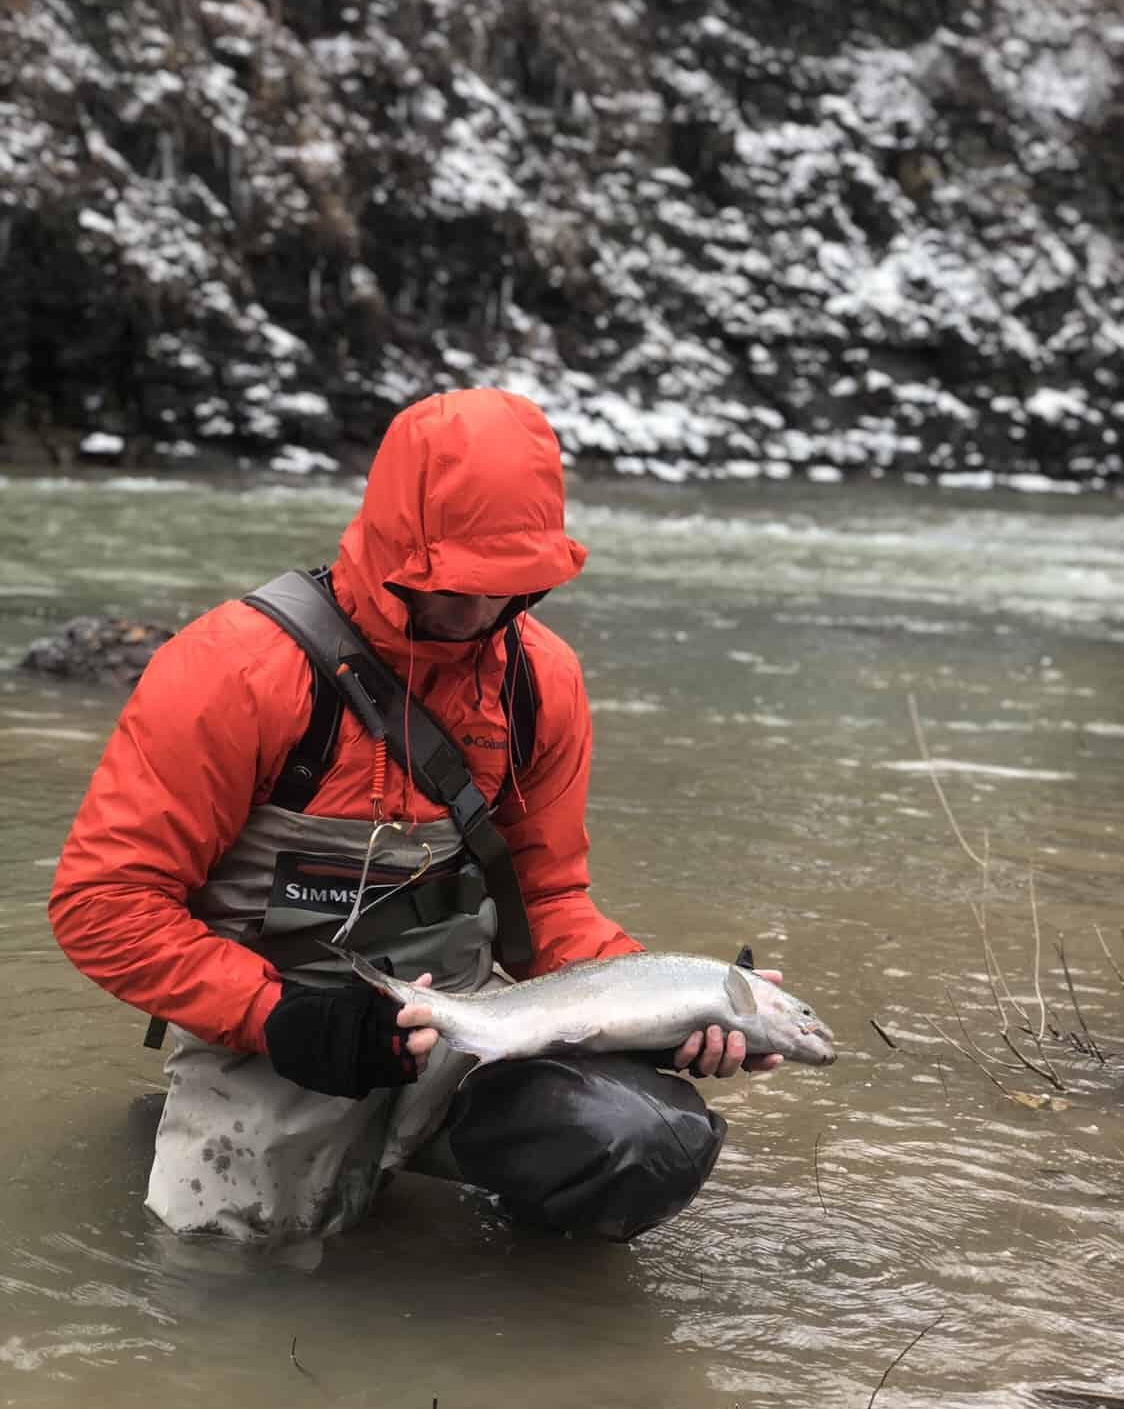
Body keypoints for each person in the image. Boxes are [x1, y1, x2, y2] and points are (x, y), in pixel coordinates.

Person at [48, 388, 782, 1245]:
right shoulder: (234, 670)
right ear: (396, 546)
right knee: (215, 1284)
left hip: (474, 1037)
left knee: (648, 1143)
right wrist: (278, 1018)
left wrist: (668, 1006)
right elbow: (100, 906)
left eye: (510, 587)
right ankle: (188, 1118)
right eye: (454, 587)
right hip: (281, 1038)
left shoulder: (540, 683)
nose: (477, 617)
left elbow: (546, 906)